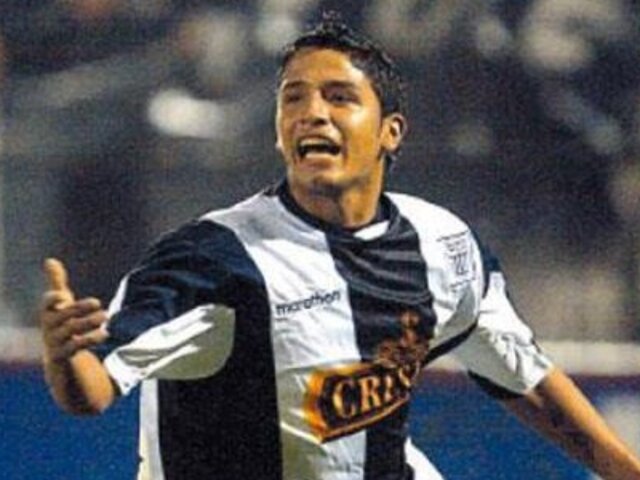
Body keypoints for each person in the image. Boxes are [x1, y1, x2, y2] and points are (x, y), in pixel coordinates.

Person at [39, 18, 640, 480]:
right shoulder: (212, 261)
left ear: (390, 132)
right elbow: (92, 389)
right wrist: (66, 356)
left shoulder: (442, 247)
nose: (311, 114)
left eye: (338, 97)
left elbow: (525, 378)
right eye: (293, 98)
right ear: (279, 132)